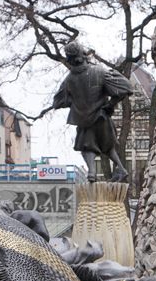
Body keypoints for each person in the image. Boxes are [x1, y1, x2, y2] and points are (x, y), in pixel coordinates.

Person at [52, 41, 134, 182]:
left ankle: (92, 173)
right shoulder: (99, 71)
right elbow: (126, 88)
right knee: (108, 146)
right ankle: (121, 168)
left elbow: (58, 102)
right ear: (83, 55)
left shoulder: (68, 80)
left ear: (70, 59)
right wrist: (110, 104)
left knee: (87, 147)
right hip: (101, 117)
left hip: (84, 121)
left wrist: (74, 102)